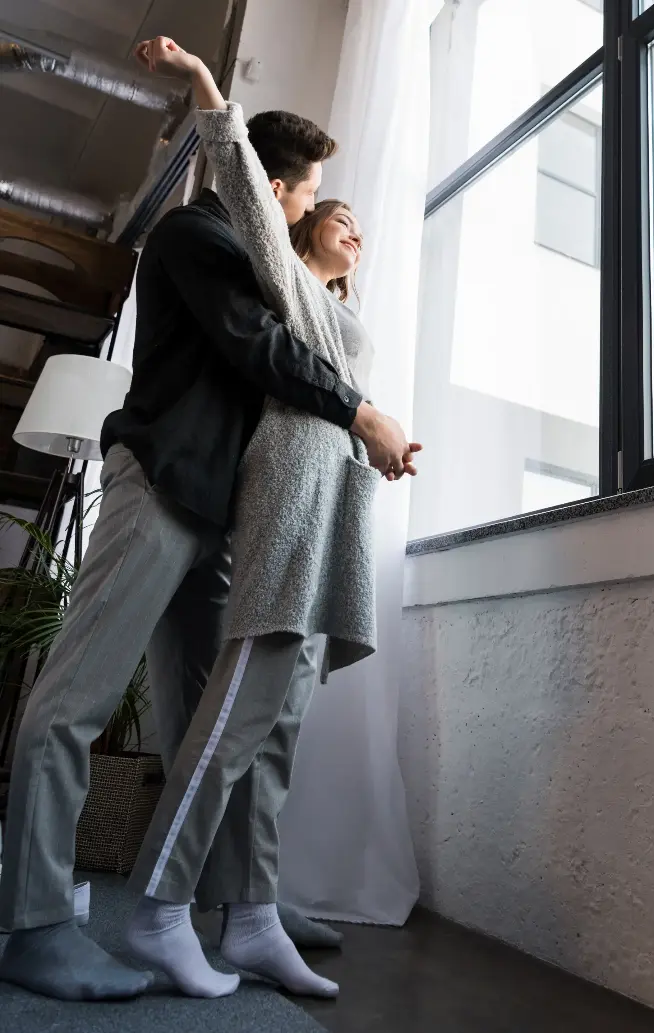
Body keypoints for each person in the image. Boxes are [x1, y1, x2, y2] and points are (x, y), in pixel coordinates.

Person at [0, 53, 419, 1003]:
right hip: (159, 486)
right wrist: (363, 415)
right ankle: (29, 923)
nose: (317, 213)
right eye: (309, 196)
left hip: (222, 514)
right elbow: (258, 346)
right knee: (74, 700)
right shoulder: (197, 235)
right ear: (275, 191)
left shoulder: (279, 269)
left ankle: (241, 906)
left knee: (216, 726)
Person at [122, 36, 419, 1003]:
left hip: (331, 498)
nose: (353, 224)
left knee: (279, 718)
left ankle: (250, 919)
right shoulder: (283, 279)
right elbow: (250, 185)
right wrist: (213, 91)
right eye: (336, 211)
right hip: (290, 486)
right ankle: (162, 906)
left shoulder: (340, 305)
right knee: (241, 703)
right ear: (296, 226)